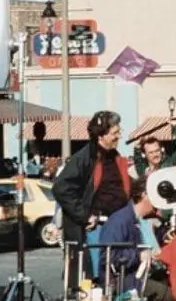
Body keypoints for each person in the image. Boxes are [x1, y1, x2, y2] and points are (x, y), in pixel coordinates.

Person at [53, 111, 130, 288]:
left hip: (115, 225)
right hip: (95, 229)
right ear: (101, 136)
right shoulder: (84, 158)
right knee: (96, 280)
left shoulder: (113, 155)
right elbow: (61, 188)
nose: (119, 136)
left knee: (115, 277)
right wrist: (85, 215)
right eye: (115, 133)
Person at [97, 176, 172, 301]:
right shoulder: (119, 220)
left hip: (140, 276)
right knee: (172, 297)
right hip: (125, 282)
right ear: (144, 195)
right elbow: (107, 256)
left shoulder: (142, 220)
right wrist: (139, 255)